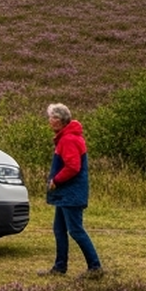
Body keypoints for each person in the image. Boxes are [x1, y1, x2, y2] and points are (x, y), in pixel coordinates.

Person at [41, 103, 103, 278]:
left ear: (60, 120)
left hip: (70, 193)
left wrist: (56, 180)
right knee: (59, 229)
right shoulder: (67, 137)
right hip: (66, 194)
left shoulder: (68, 139)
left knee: (75, 230)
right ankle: (60, 267)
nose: (49, 121)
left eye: (52, 118)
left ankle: (95, 267)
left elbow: (73, 167)